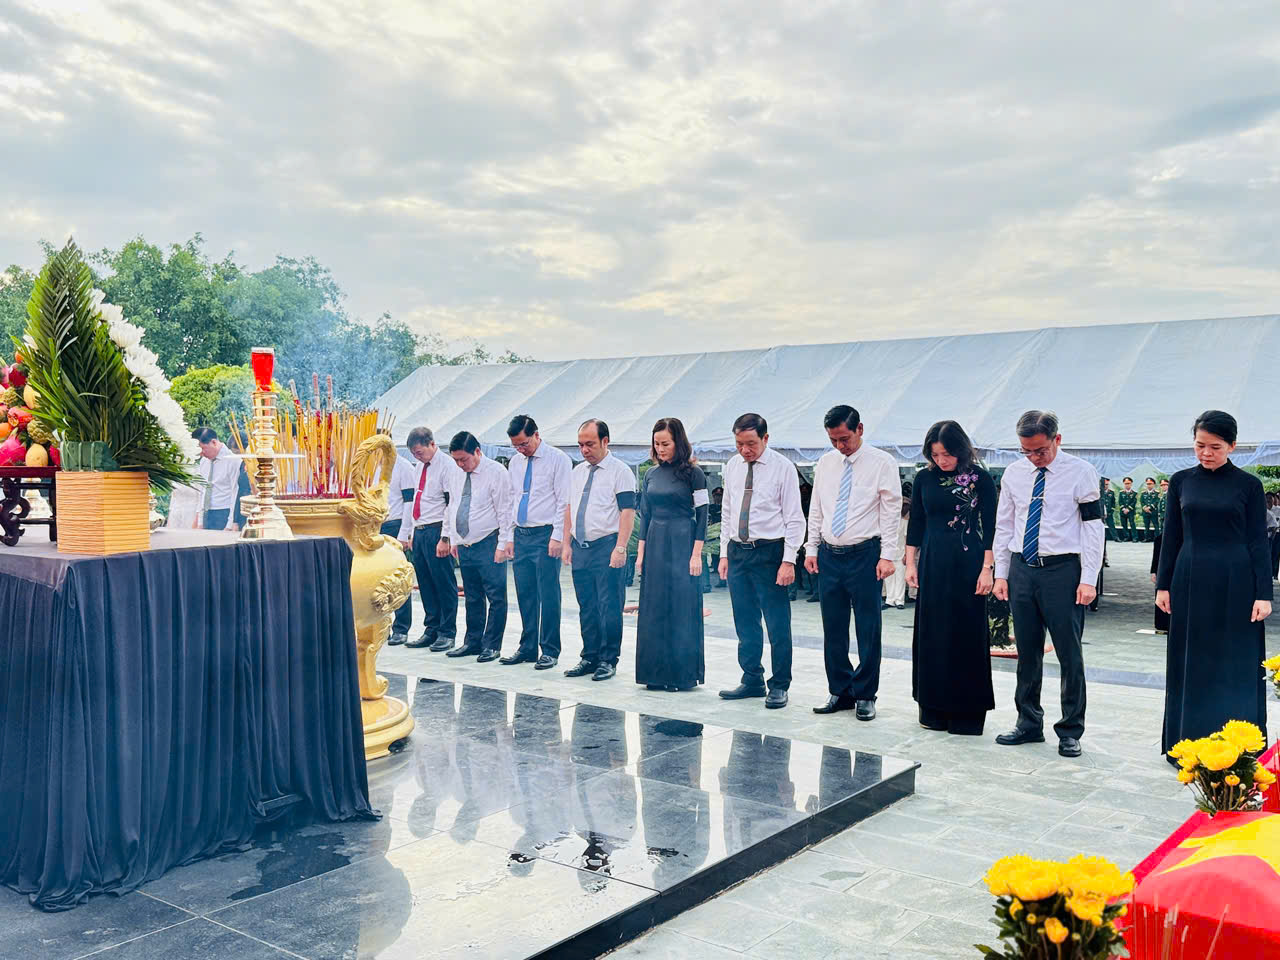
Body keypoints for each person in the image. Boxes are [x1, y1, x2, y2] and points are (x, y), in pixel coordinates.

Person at [1156, 410, 1272, 756]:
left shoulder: (1249, 485)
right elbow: (1171, 536)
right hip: (1190, 578)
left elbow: (1258, 541)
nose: (1206, 453)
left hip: (1237, 581)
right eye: (1200, 445)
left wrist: (1263, 593)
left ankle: (1238, 746)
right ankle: (1188, 743)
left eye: (1215, 447)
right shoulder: (1181, 481)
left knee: (1235, 659)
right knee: (1192, 658)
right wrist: (1163, 585)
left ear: (1232, 446)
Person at [992, 410, 1104, 758]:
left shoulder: (1081, 472)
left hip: (1062, 571)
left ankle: (1070, 729)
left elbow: (1093, 528)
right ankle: (1028, 722)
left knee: (1069, 654)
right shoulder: (1014, 473)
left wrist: (1088, 579)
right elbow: (1004, 524)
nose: (1034, 457)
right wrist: (1001, 573)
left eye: (1040, 450)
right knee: (1027, 652)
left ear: (1058, 439)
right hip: (1022, 569)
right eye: (1026, 451)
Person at [805, 405, 901, 720]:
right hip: (830, 554)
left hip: (865, 554)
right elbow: (817, 507)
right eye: (833, 440)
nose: (839, 446)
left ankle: (865, 693)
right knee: (833, 626)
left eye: (844, 438)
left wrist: (888, 555)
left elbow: (890, 511)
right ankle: (840, 690)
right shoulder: (826, 463)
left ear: (859, 429)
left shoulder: (882, 463)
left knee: (868, 627)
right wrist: (811, 548)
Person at [904, 421, 997, 735]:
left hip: (969, 565)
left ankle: (966, 713)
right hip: (932, 564)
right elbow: (916, 522)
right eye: (935, 454)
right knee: (932, 634)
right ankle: (932, 708)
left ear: (961, 449)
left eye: (947, 454)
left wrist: (987, 568)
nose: (941, 460)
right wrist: (910, 563)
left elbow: (992, 526)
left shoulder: (980, 479)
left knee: (966, 635)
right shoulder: (924, 478)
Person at [716, 413, 806, 709]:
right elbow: (728, 511)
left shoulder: (783, 467)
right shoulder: (732, 466)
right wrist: (725, 553)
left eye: (751, 444)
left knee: (777, 622)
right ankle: (752, 677)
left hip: (770, 552)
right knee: (745, 620)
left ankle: (779, 684)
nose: (745, 450)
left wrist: (788, 560)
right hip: (738, 551)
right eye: (739, 444)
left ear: (765, 438)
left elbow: (794, 518)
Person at [634, 417, 708, 691]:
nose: (661, 449)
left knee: (681, 606)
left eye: (665, 443)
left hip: (682, 540)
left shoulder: (694, 474)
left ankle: (681, 675)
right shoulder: (650, 475)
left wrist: (696, 554)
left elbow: (703, 515)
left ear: (679, 442)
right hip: (655, 541)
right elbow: (645, 515)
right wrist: (641, 553)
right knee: (654, 607)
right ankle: (654, 674)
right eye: (657, 444)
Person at [562, 419, 636, 682]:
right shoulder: (577, 472)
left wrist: (620, 548)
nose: (584, 450)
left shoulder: (620, 471)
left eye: (590, 444)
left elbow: (627, 511)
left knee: (609, 605)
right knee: (587, 605)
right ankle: (589, 656)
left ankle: (608, 659)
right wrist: (567, 543)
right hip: (581, 547)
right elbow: (569, 508)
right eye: (580, 445)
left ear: (605, 441)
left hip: (607, 546)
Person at [503, 414, 572, 669]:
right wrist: (509, 536)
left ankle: (550, 649)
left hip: (545, 534)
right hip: (522, 534)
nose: (521, 449)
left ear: (536, 435)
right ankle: (527, 646)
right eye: (516, 446)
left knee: (548, 593)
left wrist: (557, 536)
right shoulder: (515, 462)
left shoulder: (558, 459)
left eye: (524, 444)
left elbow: (564, 500)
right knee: (525, 593)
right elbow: (512, 498)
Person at [441, 431, 513, 661]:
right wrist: (452, 538)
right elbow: (452, 505)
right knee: (472, 596)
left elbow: (505, 510)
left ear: (478, 452)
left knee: (496, 596)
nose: (460, 464)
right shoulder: (455, 472)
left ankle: (492, 645)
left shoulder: (497, 472)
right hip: (465, 543)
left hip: (488, 541)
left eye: (464, 459)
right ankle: (472, 641)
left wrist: (503, 544)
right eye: (456, 460)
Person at [401, 427, 462, 651]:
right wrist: (411, 532)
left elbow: (450, 504)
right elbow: (416, 500)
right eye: (414, 454)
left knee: (443, 582)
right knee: (425, 582)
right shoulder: (419, 467)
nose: (418, 457)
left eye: (420, 452)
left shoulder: (447, 466)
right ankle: (432, 627)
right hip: (420, 529)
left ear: (432, 444)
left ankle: (447, 631)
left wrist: (446, 537)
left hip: (437, 529)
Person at [380, 444, 420, 644]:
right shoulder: (370, 465)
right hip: (374, 525)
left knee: (398, 579)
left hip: (395, 525)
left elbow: (409, 503)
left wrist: (405, 532)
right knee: (377, 580)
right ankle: (380, 626)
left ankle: (401, 627)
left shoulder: (403, 466)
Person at [192, 427, 247, 531]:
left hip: (224, 513)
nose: (201, 453)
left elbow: (235, 492)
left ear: (214, 442)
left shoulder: (233, 460)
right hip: (206, 513)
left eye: (203, 449)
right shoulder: (204, 461)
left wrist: (230, 524)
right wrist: (200, 521)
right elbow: (202, 491)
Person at [882, 491, 910, 610]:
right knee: (888, 578)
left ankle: (899, 600)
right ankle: (890, 599)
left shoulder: (904, 521)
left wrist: (907, 554)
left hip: (901, 553)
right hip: (888, 553)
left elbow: (907, 538)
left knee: (900, 577)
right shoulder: (887, 522)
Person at [1139, 477, 1161, 543]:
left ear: (1153, 484)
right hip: (1145, 512)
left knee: (1156, 525)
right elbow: (1142, 501)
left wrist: (1150, 508)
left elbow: (1157, 501)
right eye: (1147, 484)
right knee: (1146, 526)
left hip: (1153, 512)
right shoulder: (1143, 493)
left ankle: (1157, 538)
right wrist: (1145, 508)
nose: (1149, 485)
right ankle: (1146, 538)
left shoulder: (1157, 493)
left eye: (1150, 484)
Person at [1117, 477, 1138, 542]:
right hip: (1123, 511)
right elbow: (1120, 502)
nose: (1127, 485)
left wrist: (1128, 509)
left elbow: (1134, 502)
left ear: (1131, 484)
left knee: (1132, 524)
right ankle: (1126, 537)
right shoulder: (1121, 493)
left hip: (1131, 511)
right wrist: (1123, 509)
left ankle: (1135, 537)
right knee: (1124, 524)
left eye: (1128, 483)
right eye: (1126, 483)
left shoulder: (1134, 493)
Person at [1102, 478, 1118, 542]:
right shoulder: (1099, 492)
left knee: (1111, 525)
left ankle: (1116, 538)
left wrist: (1112, 510)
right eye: (1104, 484)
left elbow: (1113, 503)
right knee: (1100, 526)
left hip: (1109, 512)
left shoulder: (1111, 492)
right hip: (1101, 513)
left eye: (1107, 484)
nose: (1105, 486)